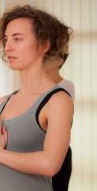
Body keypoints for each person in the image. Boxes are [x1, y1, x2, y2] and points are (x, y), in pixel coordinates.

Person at [0, 5, 74, 191]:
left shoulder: (58, 101)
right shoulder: (1, 104)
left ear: (44, 45)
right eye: (6, 39)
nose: (8, 47)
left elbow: (50, 164)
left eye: (17, 39)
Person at [45, 55, 75, 191]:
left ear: (60, 61)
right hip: (40, 150)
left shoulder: (66, 86)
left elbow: (64, 122)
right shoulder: (39, 85)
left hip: (60, 151)